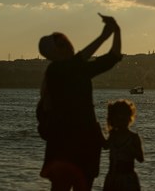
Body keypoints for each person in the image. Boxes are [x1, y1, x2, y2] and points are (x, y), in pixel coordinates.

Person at [37, 13, 122, 191]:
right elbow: (81, 60)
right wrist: (105, 35)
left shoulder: (76, 69)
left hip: (81, 143)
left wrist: (117, 32)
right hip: (67, 143)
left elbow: (112, 57)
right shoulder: (56, 71)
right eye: (61, 44)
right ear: (53, 52)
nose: (68, 45)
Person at [102, 99, 144, 191]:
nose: (121, 119)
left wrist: (131, 149)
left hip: (128, 179)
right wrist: (97, 132)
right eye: (118, 117)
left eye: (124, 116)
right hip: (113, 178)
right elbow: (105, 146)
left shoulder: (133, 138)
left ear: (129, 118)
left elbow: (140, 158)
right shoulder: (113, 136)